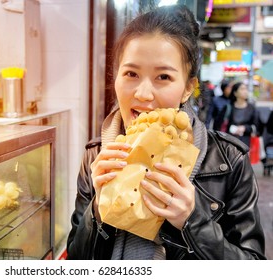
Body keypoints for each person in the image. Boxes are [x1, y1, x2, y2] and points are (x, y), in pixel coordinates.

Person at [66, 4, 265, 260]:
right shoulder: (97, 157)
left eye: (163, 77)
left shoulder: (229, 161)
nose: (143, 94)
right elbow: (76, 260)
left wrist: (193, 222)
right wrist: (98, 209)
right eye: (131, 73)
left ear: (187, 87)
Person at [220, 82, 261, 147]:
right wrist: (232, 129)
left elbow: (257, 126)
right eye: (242, 89)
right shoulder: (228, 107)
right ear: (235, 93)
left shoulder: (252, 108)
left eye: (246, 89)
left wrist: (245, 128)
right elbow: (219, 125)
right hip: (229, 143)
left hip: (246, 143)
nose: (245, 91)